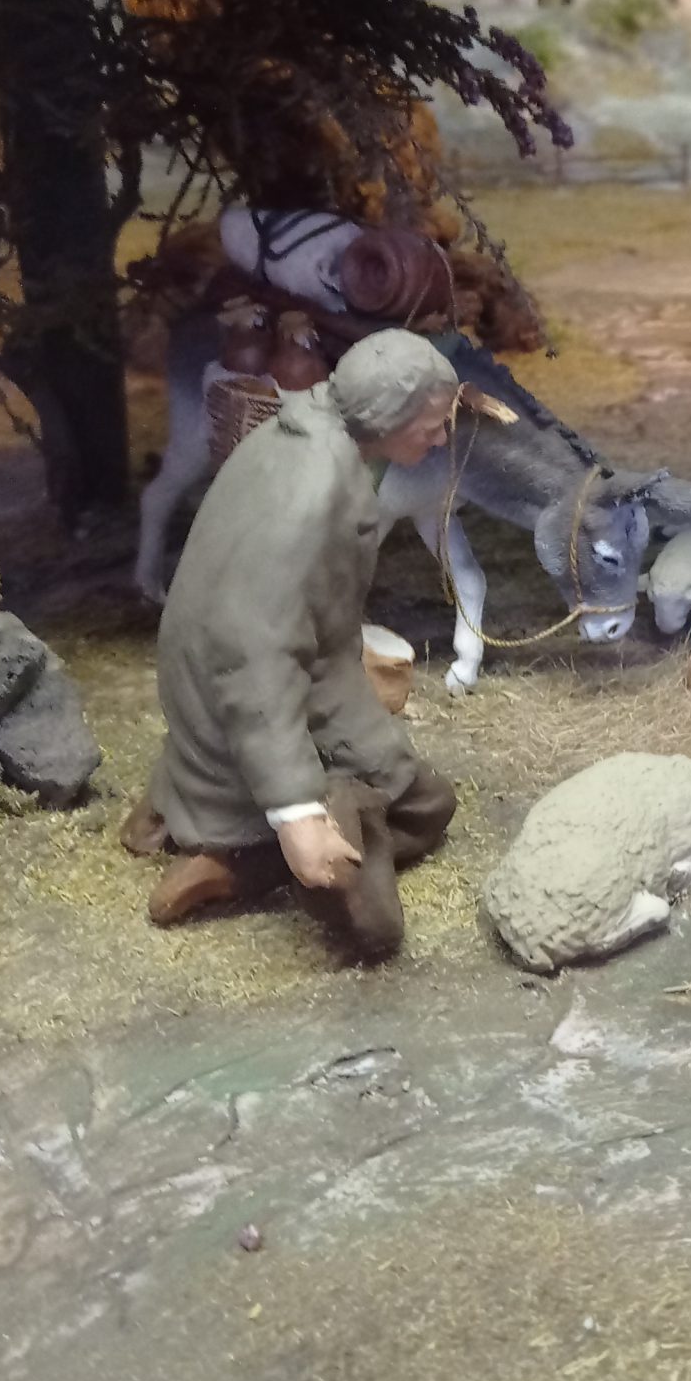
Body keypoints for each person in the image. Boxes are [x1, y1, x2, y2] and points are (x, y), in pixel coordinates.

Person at [125, 328, 459, 959]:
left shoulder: (300, 427)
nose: (441, 439)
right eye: (432, 425)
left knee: (425, 796)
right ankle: (243, 859)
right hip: (247, 696)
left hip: (247, 680)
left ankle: (190, 809)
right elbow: (255, 658)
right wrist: (296, 812)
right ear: (388, 415)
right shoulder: (311, 492)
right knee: (407, 847)